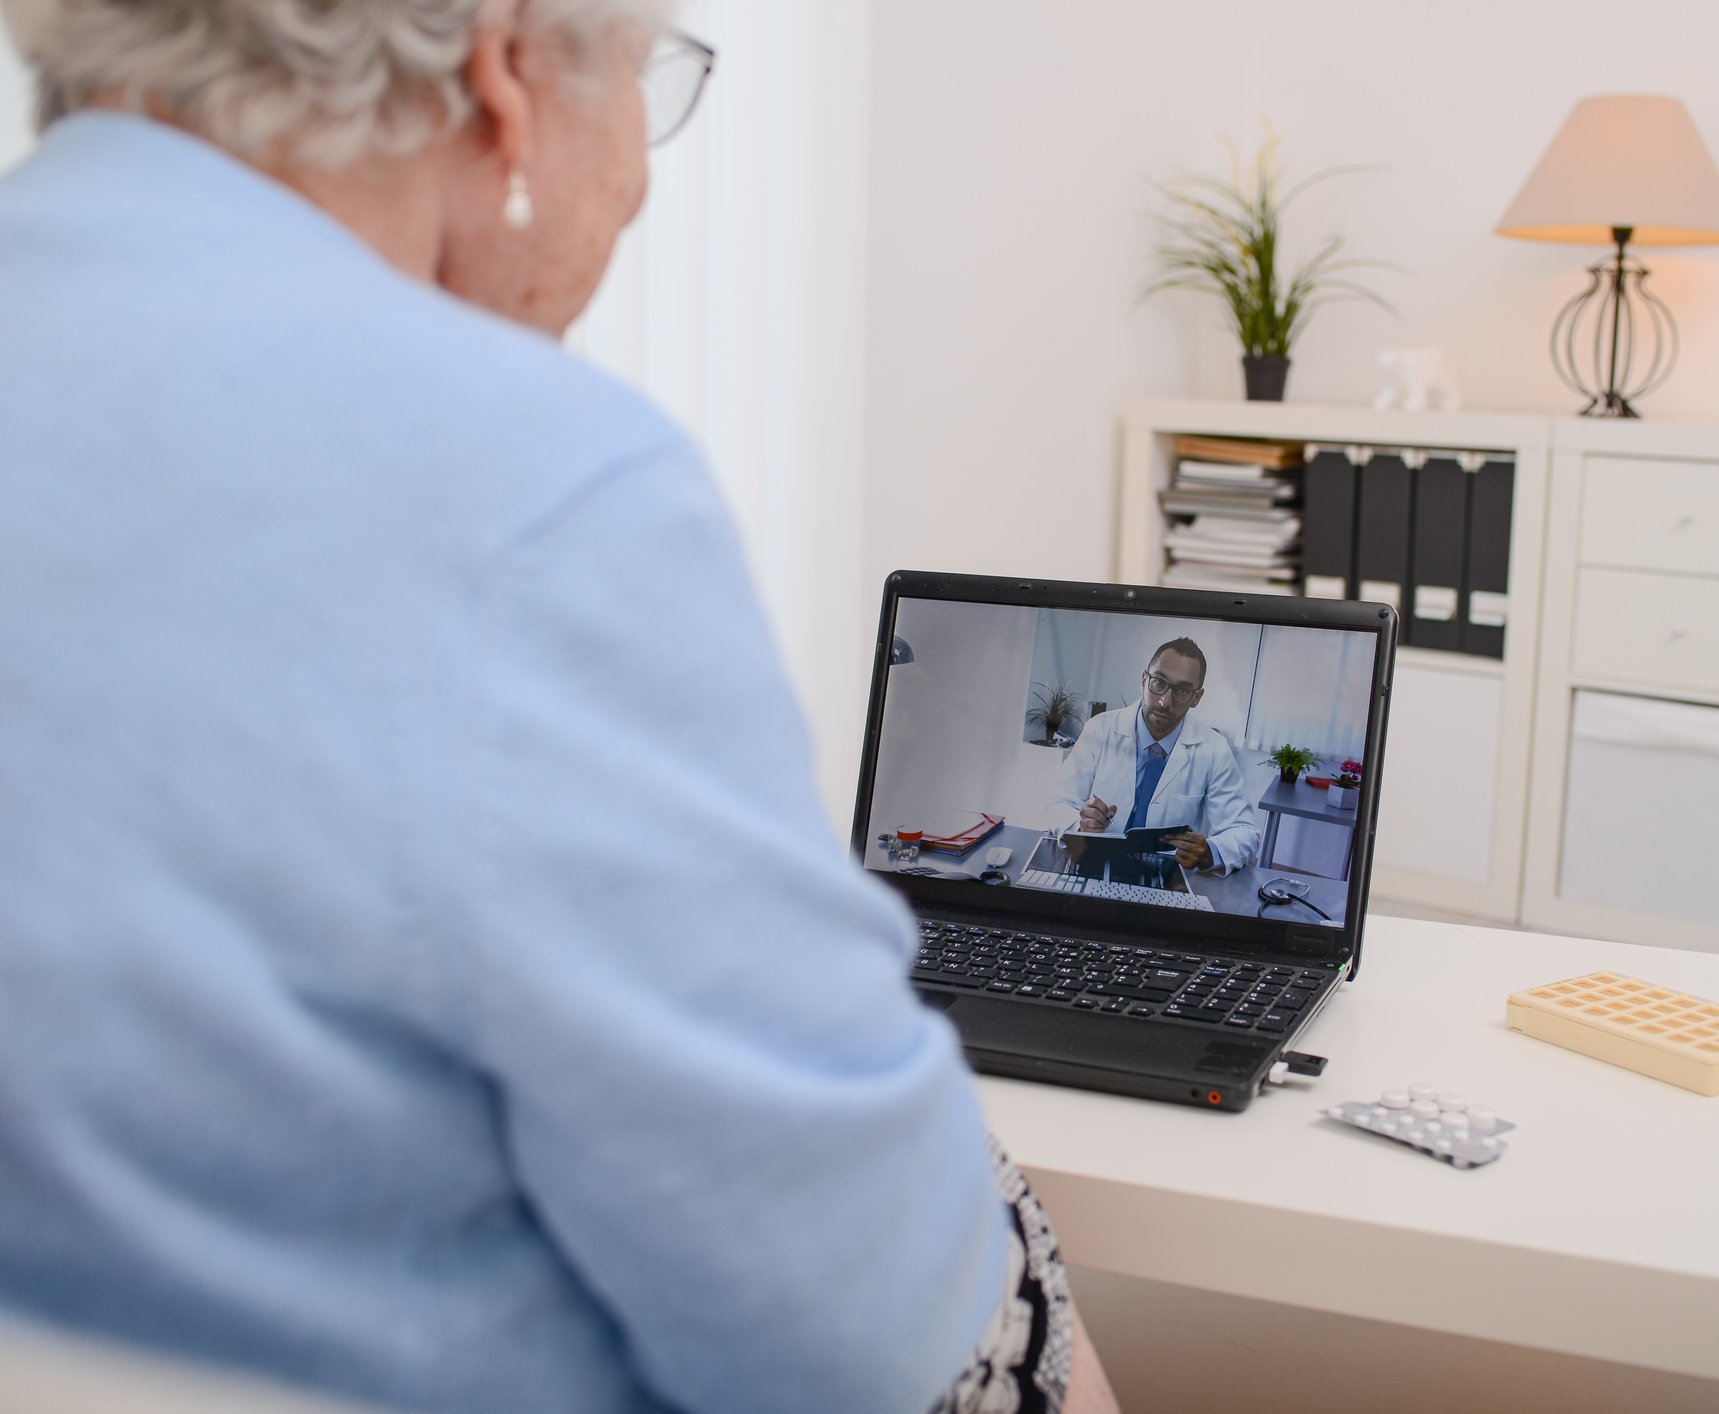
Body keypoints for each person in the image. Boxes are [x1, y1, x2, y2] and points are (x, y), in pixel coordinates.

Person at [0, 3, 1117, 1412]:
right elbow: (867, 1338)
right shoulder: (527, 487)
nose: (640, 183)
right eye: (646, 84)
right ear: (507, 69)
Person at [1056, 639, 1264, 875]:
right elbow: (1058, 803)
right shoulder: (1099, 729)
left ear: (1197, 697)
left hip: (1165, 878)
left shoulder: (1213, 749)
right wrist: (1079, 824)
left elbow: (1245, 832)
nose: (1165, 701)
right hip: (1094, 864)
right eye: (1159, 683)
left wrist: (1210, 851)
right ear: (1144, 679)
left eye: (1183, 691)